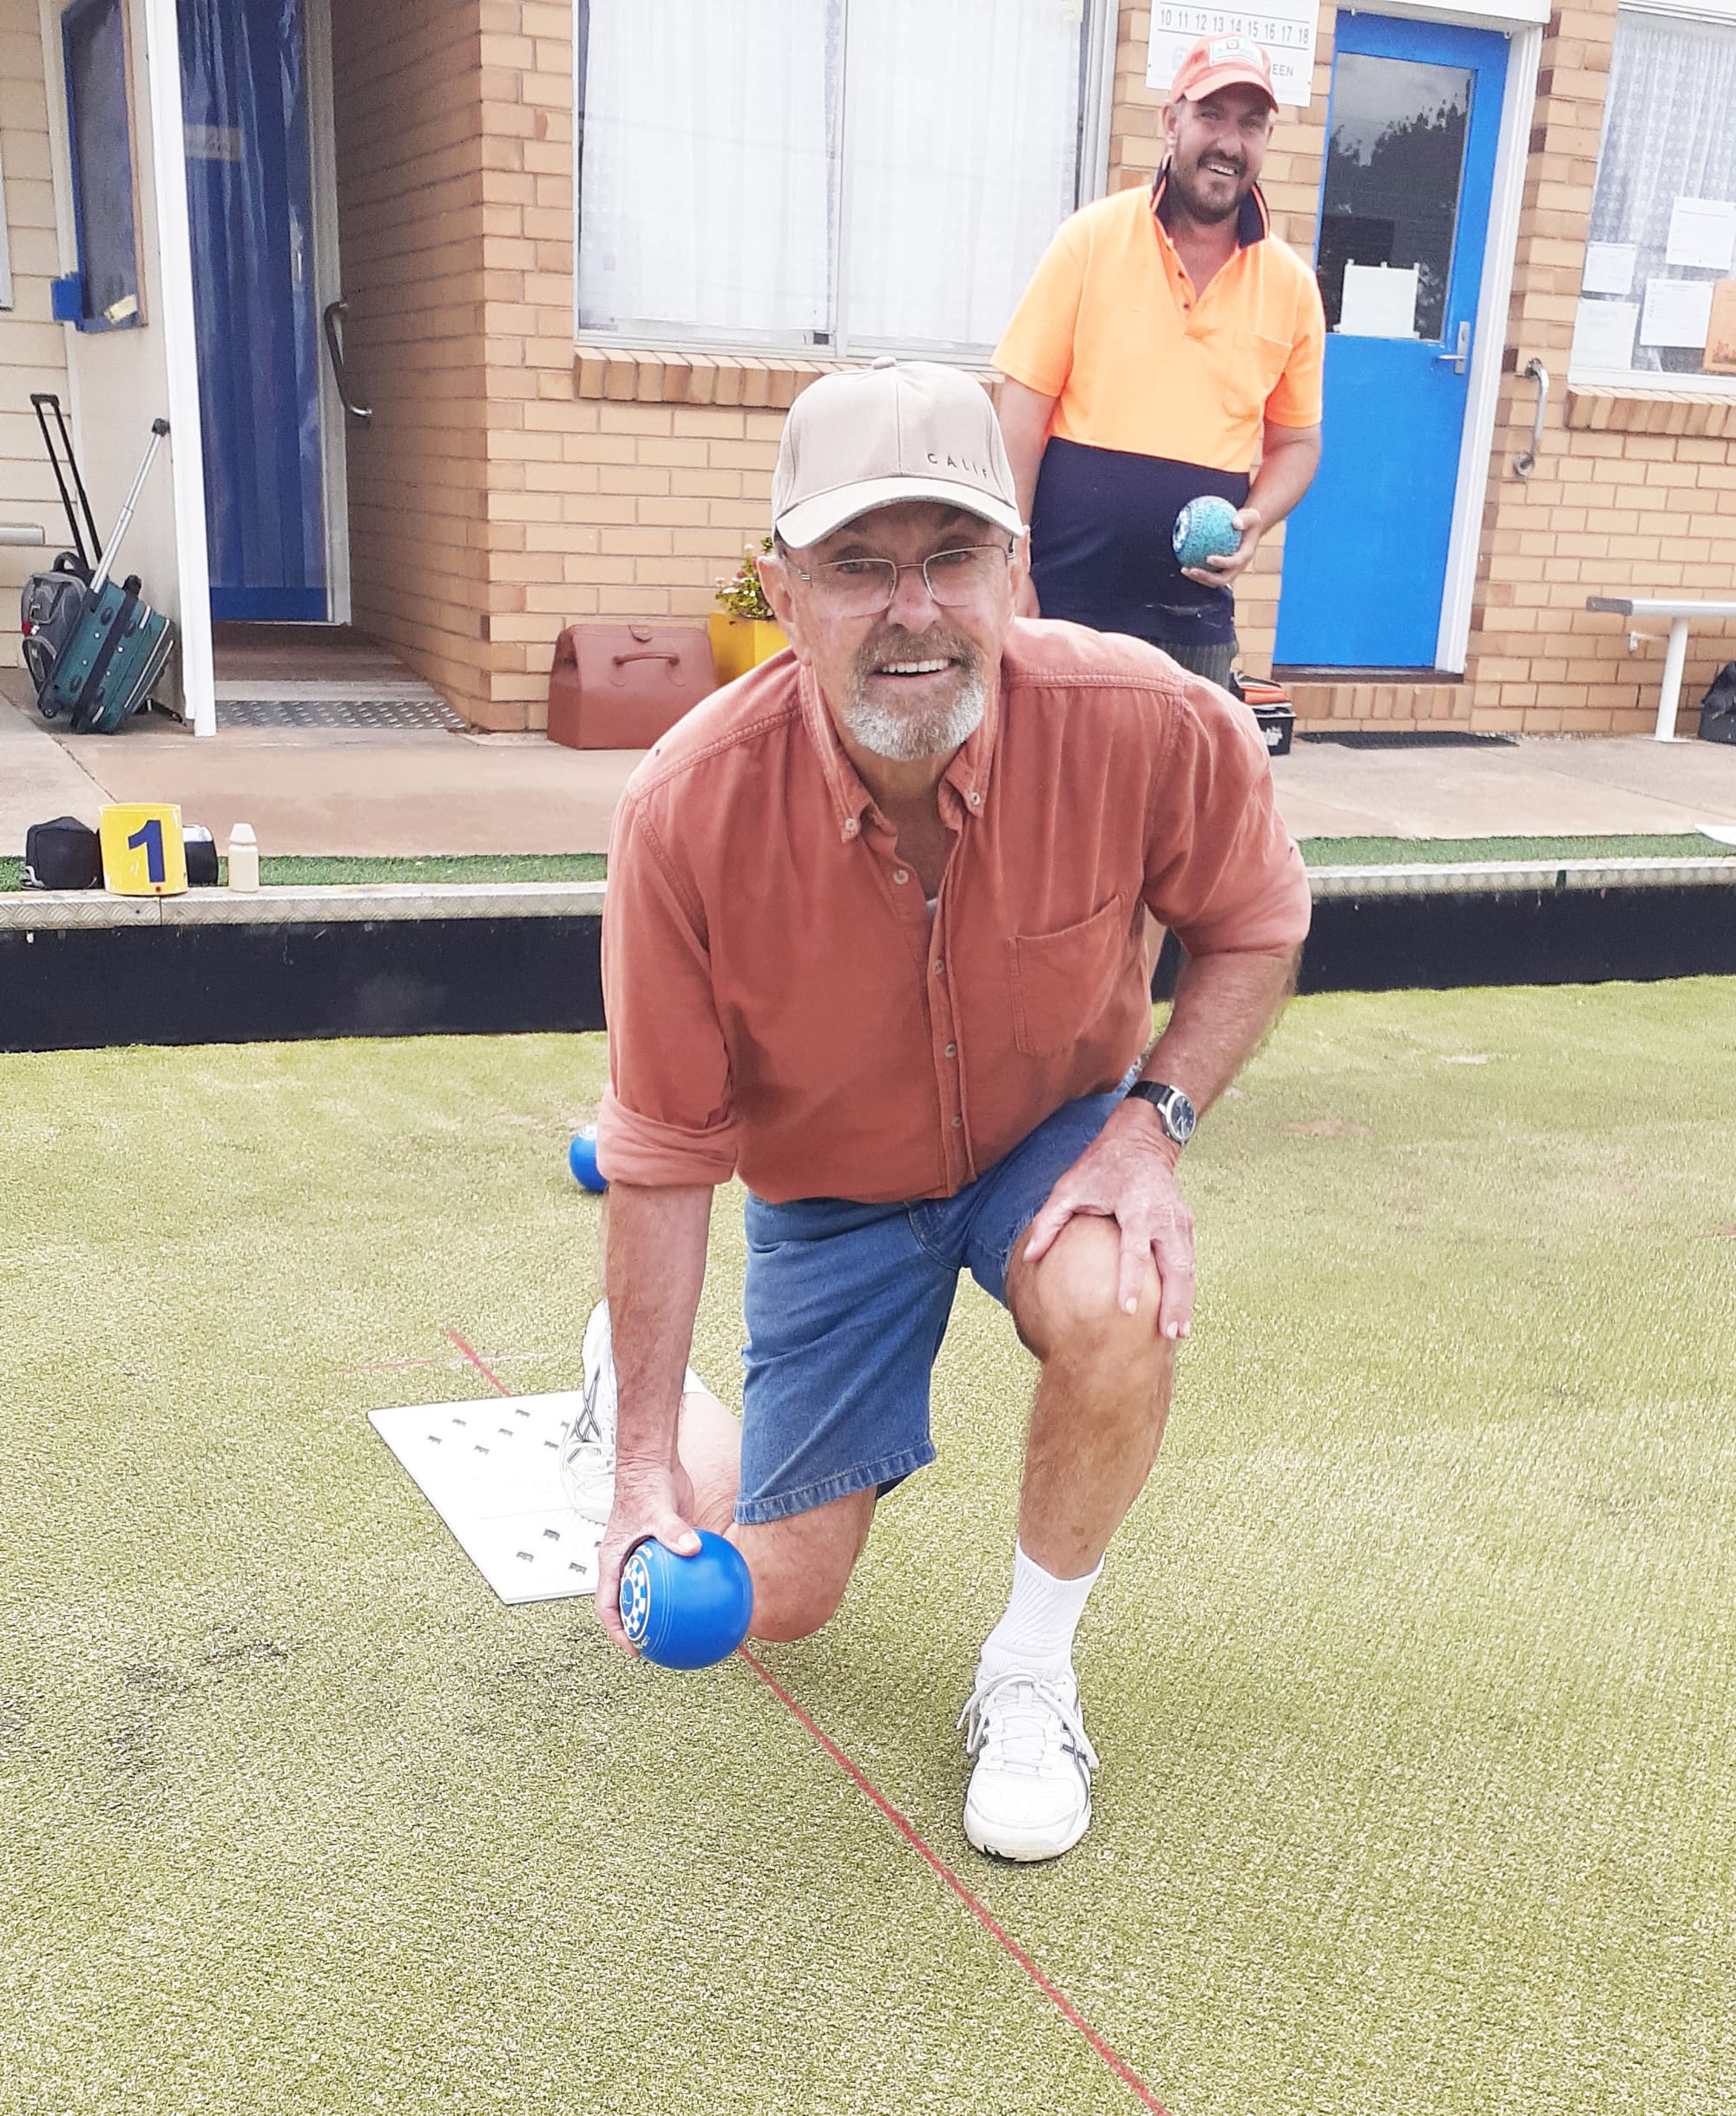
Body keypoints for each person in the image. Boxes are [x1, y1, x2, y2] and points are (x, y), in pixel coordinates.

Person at [568, 358, 1309, 1863]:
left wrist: (1148, 1124)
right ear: (784, 591)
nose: (913, 609)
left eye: (952, 555)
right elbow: (657, 1159)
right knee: (777, 1600)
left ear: (1014, 566)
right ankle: (624, 1402)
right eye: (858, 565)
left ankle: (1030, 1670)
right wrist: (646, 1459)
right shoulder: (682, 813)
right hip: (829, 1186)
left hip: (1050, 1132)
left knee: (1121, 1294)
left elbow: (1258, 920)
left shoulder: (1147, 723)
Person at [994, 34, 1326, 692]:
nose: (1230, 142)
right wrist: (1011, 562)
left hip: (1193, 617)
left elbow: (1298, 443)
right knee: (1050, 790)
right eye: (1211, 115)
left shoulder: (1290, 285)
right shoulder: (1090, 241)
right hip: (1064, 603)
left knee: (1181, 796)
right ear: (1170, 121)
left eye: (1251, 124)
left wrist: (1258, 516)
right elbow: (1019, 416)